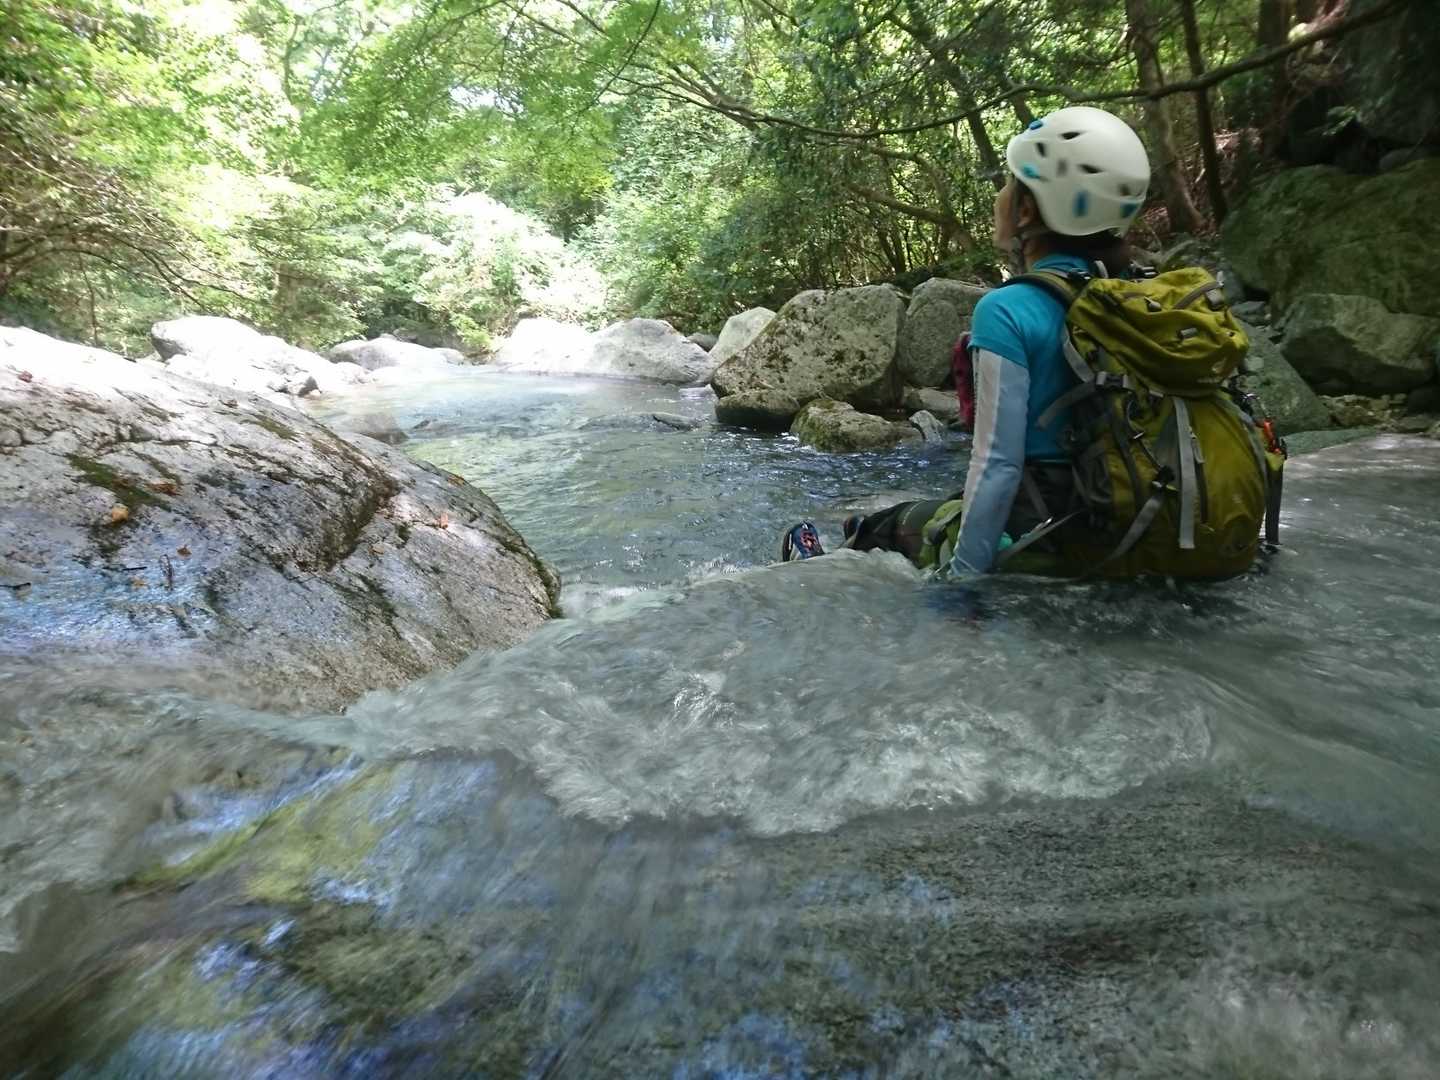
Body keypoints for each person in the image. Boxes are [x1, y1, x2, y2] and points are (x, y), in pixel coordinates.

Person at [782, 106, 1156, 578]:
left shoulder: (1007, 310)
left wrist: (962, 583)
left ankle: (828, 558)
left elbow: (998, 465)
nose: (1000, 195)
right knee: (930, 511)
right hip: (1139, 521)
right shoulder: (1146, 299)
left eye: (1010, 183)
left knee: (880, 527)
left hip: (1054, 532)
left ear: (1027, 209)